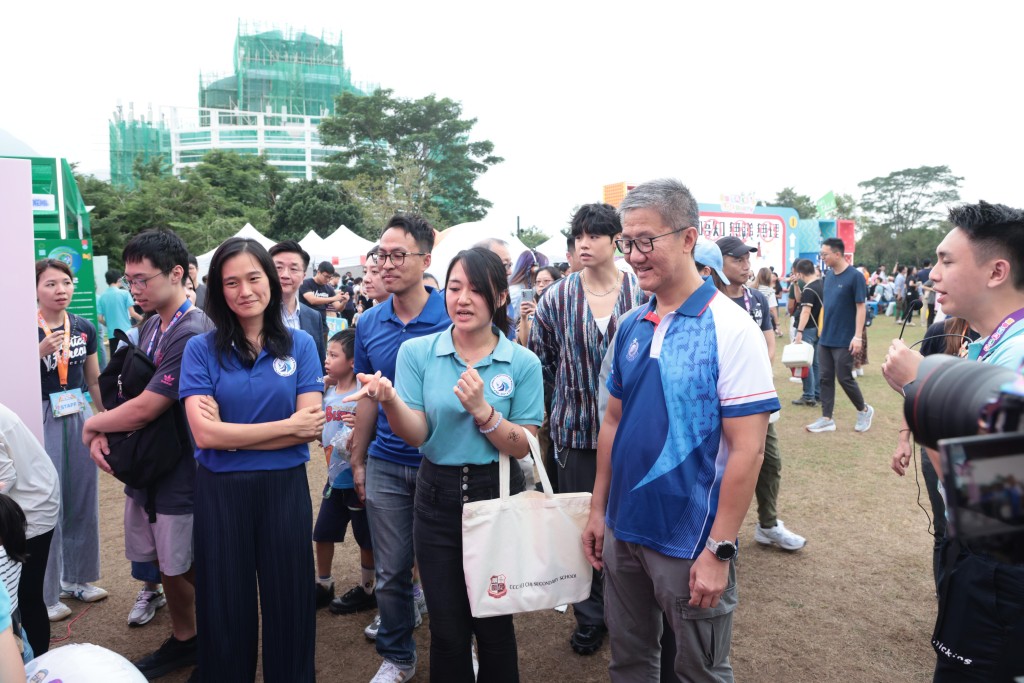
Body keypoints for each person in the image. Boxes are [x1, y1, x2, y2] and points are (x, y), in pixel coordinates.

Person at [583, 178, 779, 681]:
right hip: (625, 530)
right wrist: (599, 510)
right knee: (629, 661)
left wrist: (719, 550)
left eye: (646, 241)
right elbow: (613, 422)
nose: (634, 255)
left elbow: (748, 452)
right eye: (627, 243)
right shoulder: (631, 324)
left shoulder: (732, 329)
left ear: (689, 239)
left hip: (689, 539)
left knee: (699, 672)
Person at [349, 247, 543, 682]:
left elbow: (524, 446)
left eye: (478, 289)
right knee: (448, 628)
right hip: (435, 496)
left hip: (496, 495)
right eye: (455, 287)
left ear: (499, 298)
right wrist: (390, 399)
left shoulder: (522, 361)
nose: (463, 298)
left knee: (493, 624)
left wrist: (485, 412)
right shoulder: (419, 353)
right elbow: (417, 434)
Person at [881, 200, 1024, 681]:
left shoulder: (1018, 354)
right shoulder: (988, 345)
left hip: (1002, 571)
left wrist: (922, 389)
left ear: (997, 270)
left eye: (946, 261)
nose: (931, 274)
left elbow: (995, 507)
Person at [179, 237, 324, 682]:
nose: (245, 290)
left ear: (271, 278)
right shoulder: (201, 350)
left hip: (284, 490)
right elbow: (205, 433)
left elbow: (311, 424)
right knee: (224, 606)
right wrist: (284, 429)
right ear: (218, 290)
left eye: (253, 278)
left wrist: (232, 437)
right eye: (231, 282)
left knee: (291, 602)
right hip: (220, 493)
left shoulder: (300, 344)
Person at [82, 229, 212, 680]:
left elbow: (151, 404)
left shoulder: (193, 329)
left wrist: (94, 424)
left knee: (188, 564)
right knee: (166, 563)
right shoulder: (152, 323)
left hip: (182, 471)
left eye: (143, 279)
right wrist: (106, 427)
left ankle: (222, 639)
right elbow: (125, 393)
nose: (134, 288)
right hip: (151, 468)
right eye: (130, 279)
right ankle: (185, 639)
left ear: (177, 274)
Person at [529, 203, 648, 655]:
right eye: (579, 235)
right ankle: (590, 615)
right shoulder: (556, 298)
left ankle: (629, 614)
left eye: (595, 235)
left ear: (616, 240)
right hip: (576, 434)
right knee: (583, 528)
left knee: (629, 528)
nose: (584, 243)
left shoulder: (641, 291)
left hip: (636, 433)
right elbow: (543, 363)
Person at [348, 214, 450, 683]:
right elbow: (368, 396)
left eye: (396, 255)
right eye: (379, 255)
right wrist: (359, 457)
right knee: (390, 572)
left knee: (450, 566)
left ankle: (458, 648)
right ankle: (398, 655)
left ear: (426, 260)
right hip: (388, 462)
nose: (385, 265)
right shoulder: (368, 322)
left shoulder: (454, 313)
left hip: (443, 461)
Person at [717, 237, 806, 552]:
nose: (746, 265)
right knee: (718, 465)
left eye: (747, 259)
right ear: (718, 262)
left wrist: (751, 375)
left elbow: (769, 345)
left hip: (754, 396)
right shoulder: (708, 298)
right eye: (737, 259)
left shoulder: (756, 299)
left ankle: (768, 524)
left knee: (769, 461)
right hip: (717, 398)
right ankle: (717, 534)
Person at [34, 258, 106, 624]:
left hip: (78, 410)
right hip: (39, 415)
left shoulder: (83, 327)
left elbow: (93, 379)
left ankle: (76, 579)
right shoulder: (22, 329)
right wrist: (39, 353)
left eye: (66, 282)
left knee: (82, 495)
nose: (60, 290)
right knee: (47, 500)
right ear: (34, 289)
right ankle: (44, 594)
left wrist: (104, 419)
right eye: (50, 284)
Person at [314, 330, 377, 617]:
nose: (326, 360)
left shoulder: (362, 396)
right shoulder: (326, 392)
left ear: (353, 362)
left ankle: (368, 589)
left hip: (356, 481)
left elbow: (373, 430)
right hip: (333, 480)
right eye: (327, 354)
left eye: (333, 355)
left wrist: (360, 428)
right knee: (323, 533)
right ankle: (323, 584)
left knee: (366, 539)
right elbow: (321, 432)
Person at [0, 403, 58, 657]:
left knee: (25, 595)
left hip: (31, 507)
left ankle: (36, 666)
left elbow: (5, 477)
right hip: (27, 501)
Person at [805, 238, 874, 433]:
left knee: (844, 377)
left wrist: (858, 336)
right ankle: (827, 418)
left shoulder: (855, 277)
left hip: (846, 337)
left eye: (825, 254)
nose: (822, 258)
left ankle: (864, 410)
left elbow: (861, 307)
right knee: (825, 378)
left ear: (837, 254)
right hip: (826, 337)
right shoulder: (828, 276)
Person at [269, 240, 327, 373]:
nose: (285, 275)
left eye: (294, 269)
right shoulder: (255, 315)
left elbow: (319, 364)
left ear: (303, 277)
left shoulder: (313, 316)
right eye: (278, 268)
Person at [792, 259, 824, 407]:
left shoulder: (810, 289)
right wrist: (795, 284)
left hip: (808, 328)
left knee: (805, 362)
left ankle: (808, 395)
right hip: (819, 328)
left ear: (800, 273)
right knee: (816, 362)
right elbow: (800, 300)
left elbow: (805, 311)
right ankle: (817, 394)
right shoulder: (820, 284)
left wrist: (799, 331)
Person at [96, 269, 140, 360]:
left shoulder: (102, 297)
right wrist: (145, 320)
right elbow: (133, 313)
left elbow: (99, 318)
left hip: (112, 334)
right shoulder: (124, 293)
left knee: (115, 361)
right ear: (119, 279)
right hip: (126, 333)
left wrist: (108, 324)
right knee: (128, 360)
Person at [515, 265, 561, 347]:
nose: (541, 285)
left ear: (557, 282)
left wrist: (539, 314)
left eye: (546, 281)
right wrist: (523, 317)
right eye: (538, 282)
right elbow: (524, 343)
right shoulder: (531, 304)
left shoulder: (561, 306)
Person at [300, 261, 349, 329]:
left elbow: (338, 308)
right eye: (326, 276)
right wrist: (334, 298)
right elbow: (312, 300)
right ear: (318, 272)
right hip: (306, 324)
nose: (328, 280)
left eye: (330, 277)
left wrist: (344, 302)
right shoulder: (306, 283)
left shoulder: (329, 288)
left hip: (322, 325)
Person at [755, 267, 782, 337]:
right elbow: (772, 309)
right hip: (764, 321)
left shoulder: (753, 289)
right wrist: (777, 324)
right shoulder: (770, 291)